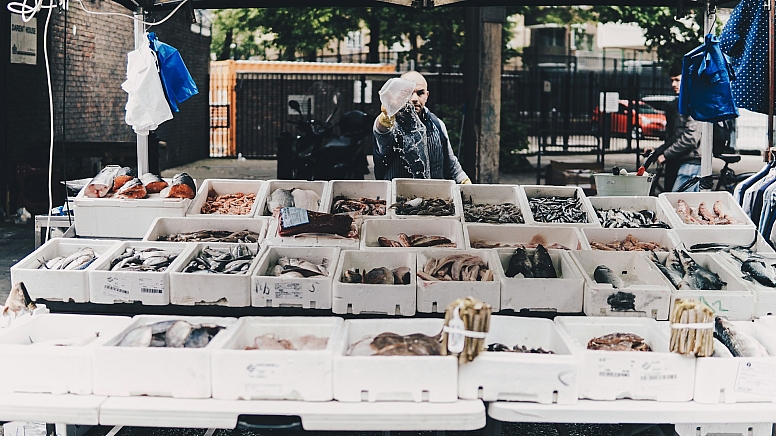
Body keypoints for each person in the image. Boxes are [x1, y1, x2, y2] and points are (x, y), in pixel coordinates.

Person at [373, 71, 471, 184]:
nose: (414, 98)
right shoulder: (390, 123)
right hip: (397, 197)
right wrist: (387, 115)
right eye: (408, 93)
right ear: (399, 94)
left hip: (433, 197)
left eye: (420, 93)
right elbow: (382, 134)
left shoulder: (437, 125)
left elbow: (451, 164)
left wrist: (465, 182)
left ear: (426, 96)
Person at [649, 65, 702, 192]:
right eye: (672, 80)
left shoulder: (695, 102)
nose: (673, 84)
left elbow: (690, 138)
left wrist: (666, 154)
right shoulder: (683, 102)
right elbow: (676, 136)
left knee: (676, 202)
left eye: (677, 80)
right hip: (683, 159)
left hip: (691, 160)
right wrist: (658, 151)